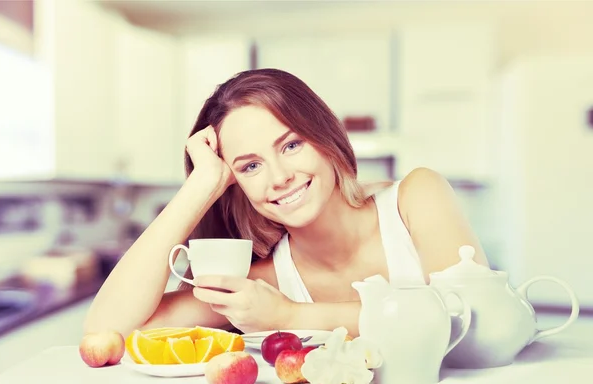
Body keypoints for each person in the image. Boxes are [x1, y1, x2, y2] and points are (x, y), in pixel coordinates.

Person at [83, 68, 489, 339]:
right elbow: (109, 330)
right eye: (250, 166)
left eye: (291, 145)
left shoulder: (415, 197)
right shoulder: (263, 284)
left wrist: (290, 318)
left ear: (325, 137)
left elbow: (468, 315)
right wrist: (198, 187)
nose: (280, 178)